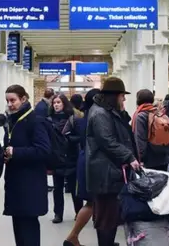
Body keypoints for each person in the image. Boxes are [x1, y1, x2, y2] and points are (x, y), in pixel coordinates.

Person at [86, 77, 138, 246]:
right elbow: (107, 141)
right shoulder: (100, 114)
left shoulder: (107, 111)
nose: (124, 99)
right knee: (107, 217)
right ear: (114, 96)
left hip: (109, 171)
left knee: (109, 216)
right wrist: (129, 157)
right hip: (105, 173)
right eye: (122, 96)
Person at [2, 84, 51, 246]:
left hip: (30, 183)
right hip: (17, 182)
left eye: (13, 100)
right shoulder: (15, 119)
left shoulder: (35, 120)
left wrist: (15, 152)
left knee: (28, 228)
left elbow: (43, 150)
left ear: (23, 99)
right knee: (19, 226)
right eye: (7, 100)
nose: (9, 104)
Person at [63, 89, 100, 246]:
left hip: (85, 160)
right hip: (92, 162)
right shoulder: (95, 118)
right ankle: (72, 236)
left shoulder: (84, 118)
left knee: (95, 202)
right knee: (94, 201)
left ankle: (74, 236)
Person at [48, 94, 83, 223]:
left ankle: (79, 212)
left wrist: (68, 139)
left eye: (59, 102)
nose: (56, 105)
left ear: (64, 104)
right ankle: (58, 214)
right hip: (56, 158)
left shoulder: (73, 119)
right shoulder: (49, 120)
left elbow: (80, 137)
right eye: (54, 103)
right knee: (57, 189)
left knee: (74, 188)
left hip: (71, 157)